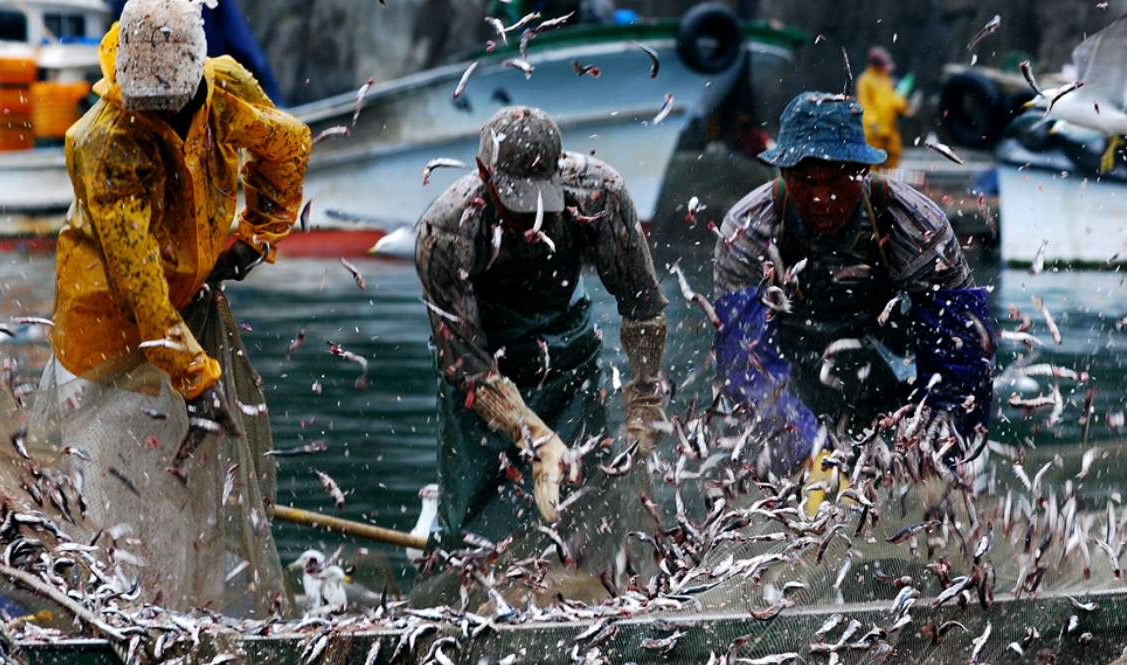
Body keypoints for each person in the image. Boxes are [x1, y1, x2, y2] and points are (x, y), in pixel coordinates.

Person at [44, 0, 309, 614]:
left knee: (188, 497)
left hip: (185, 309)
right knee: (116, 506)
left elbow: (289, 147)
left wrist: (256, 236)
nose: (158, 114)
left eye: (171, 103)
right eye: (148, 104)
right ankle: (120, 623)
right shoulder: (102, 140)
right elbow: (138, 288)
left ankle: (187, 622)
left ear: (195, 80)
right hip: (102, 333)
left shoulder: (225, 89)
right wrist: (197, 382)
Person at [416, 106, 668, 547]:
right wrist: (533, 435)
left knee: (587, 511)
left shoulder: (598, 194)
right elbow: (467, 364)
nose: (530, 215)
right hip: (485, 368)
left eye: (540, 200)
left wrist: (644, 397)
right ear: (484, 172)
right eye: (516, 202)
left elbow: (643, 304)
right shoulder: (446, 232)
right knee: (476, 531)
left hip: (566, 353)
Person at [713, 92, 996, 479]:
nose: (821, 198)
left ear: (862, 172)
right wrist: (803, 449)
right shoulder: (746, 232)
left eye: (836, 181)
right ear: (783, 174)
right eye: (805, 181)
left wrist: (937, 448)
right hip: (790, 381)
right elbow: (744, 361)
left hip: (888, 378)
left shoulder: (916, 227)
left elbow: (962, 354)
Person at [855, 46, 910, 172]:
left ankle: (889, 187)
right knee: (871, 161)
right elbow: (864, 103)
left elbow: (893, 99)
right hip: (873, 130)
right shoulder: (865, 80)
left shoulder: (886, 79)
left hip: (889, 128)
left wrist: (905, 105)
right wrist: (871, 121)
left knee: (894, 155)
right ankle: (871, 187)